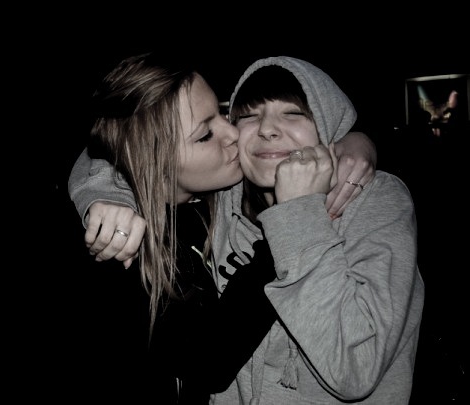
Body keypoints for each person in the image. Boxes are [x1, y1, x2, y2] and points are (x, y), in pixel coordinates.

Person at [70, 56, 423, 404]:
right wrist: (105, 195)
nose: (239, 132)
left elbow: (355, 369)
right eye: (246, 116)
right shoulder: (210, 203)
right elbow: (108, 146)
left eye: (294, 113)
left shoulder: (373, 200)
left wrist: (356, 141)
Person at [71, 51, 281, 405]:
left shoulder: (211, 196)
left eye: (223, 110)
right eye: (205, 135)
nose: (233, 133)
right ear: (153, 160)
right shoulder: (122, 249)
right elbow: (208, 361)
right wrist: (286, 228)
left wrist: (356, 144)